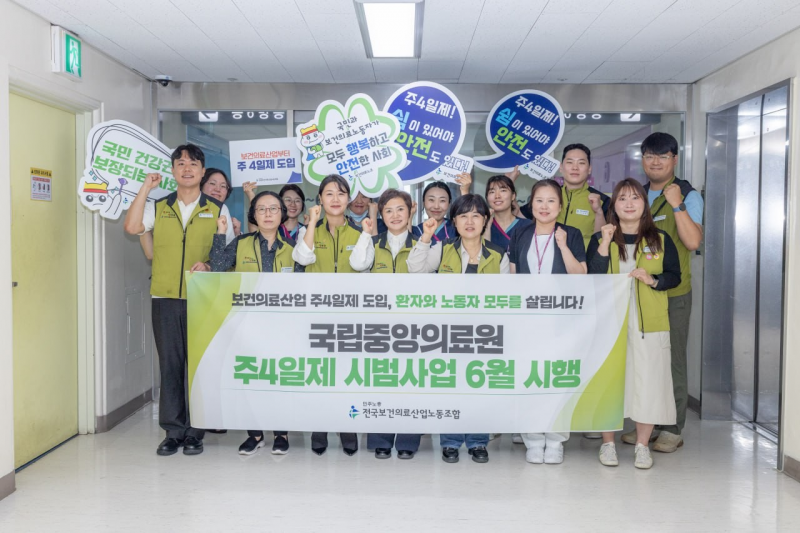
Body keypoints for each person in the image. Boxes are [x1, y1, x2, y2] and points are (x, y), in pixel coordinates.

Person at [124, 144, 235, 456]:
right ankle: (173, 432)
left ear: (202, 171)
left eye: (193, 164)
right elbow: (132, 227)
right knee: (170, 366)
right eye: (181, 163)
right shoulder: (159, 206)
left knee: (199, 367)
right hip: (165, 297)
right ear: (173, 170)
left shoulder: (218, 209)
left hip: (203, 297)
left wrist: (209, 266)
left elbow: (228, 254)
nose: (187, 169)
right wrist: (146, 188)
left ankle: (196, 432)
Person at [586, 178, 682, 469]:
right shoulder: (601, 238)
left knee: (649, 383)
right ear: (614, 205)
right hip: (609, 322)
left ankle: (642, 445)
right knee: (608, 382)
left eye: (635, 198)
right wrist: (605, 242)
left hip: (649, 323)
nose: (629, 204)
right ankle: (607, 444)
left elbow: (674, 276)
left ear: (644, 204)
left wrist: (653, 280)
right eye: (622, 198)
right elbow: (592, 276)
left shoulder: (660, 239)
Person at [408, 193, 508, 464]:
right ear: (454, 221)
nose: (470, 221)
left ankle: (478, 441)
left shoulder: (498, 254)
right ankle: (450, 442)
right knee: (450, 387)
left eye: (476, 215)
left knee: (480, 387)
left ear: (485, 220)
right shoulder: (444, 248)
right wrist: (426, 237)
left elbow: (506, 296)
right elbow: (415, 270)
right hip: (448, 332)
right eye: (463, 216)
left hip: (484, 333)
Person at [620, 132, 703, 454]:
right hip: (640, 293)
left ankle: (672, 428)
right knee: (642, 360)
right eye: (649, 156)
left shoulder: (688, 194)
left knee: (672, 359)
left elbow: (693, 242)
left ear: (675, 159)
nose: (655, 162)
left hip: (673, 293)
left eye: (663, 156)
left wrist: (677, 204)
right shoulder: (638, 194)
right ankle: (648, 424)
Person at [209, 190, 302, 456]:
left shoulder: (294, 249)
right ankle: (255, 434)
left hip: (281, 327)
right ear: (254, 215)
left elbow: (302, 286)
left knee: (280, 379)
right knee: (251, 380)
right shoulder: (241, 243)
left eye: (273, 208)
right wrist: (220, 232)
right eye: (261, 209)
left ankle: (281, 433)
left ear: (282, 214)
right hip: (246, 326)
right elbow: (218, 266)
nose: (268, 214)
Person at [508, 179, 586, 464]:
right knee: (529, 378)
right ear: (531, 204)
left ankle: (555, 440)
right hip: (528, 319)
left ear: (560, 206)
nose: (544, 206)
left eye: (551, 200)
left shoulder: (572, 234)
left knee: (557, 379)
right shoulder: (520, 233)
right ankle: (533, 438)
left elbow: (580, 275)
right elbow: (514, 276)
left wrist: (563, 246)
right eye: (539, 200)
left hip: (561, 320)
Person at [292, 174, 365, 455]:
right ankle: (319, 431)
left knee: (347, 376)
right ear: (320, 199)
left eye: (341, 193)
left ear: (349, 199)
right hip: (316, 316)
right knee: (319, 375)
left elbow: (363, 267)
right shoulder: (308, 230)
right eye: (329, 194)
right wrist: (311, 224)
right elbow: (303, 258)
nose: (335, 199)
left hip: (350, 318)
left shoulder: (360, 233)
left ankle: (348, 431)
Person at [349, 188, 423, 459]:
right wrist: (366, 234)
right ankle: (380, 439)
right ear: (380, 214)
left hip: (414, 325)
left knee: (411, 382)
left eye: (400, 209)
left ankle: (407, 442)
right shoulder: (373, 240)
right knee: (381, 380)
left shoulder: (423, 242)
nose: (395, 215)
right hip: (378, 326)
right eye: (388, 210)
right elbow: (358, 264)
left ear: (411, 210)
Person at [138, 168, 250, 260]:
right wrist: (144, 225)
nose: (218, 189)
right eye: (212, 183)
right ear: (200, 185)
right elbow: (151, 253)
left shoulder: (225, 213)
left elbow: (228, 257)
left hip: (207, 278)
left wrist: (235, 235)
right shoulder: (174, 208)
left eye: (223, 186)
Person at [554, 144, 609, 249]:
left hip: (585, 258)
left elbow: (604, 238)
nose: (575, 167)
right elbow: (522, 217)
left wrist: (598, 212)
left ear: (589, 169)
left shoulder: (602, 200)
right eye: (570, 162)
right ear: (561, 167)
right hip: (551, 257)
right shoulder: (551, 195)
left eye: (581, 163)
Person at [410, 174, 471, 242]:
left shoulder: (455, 228)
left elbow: (467, 224)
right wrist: (409, 215)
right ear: (424, 202)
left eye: (442, 201)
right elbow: (406, 243)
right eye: (431, 200)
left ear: (449, 204)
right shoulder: (416, 230)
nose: (436, 206)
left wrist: (464, 191)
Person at [483, 174, 532, 251]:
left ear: (513, 196)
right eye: (492, 192)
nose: (497, 196)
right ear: (487, 198)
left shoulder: (528, 225)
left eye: (503, 190)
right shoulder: (481, 227)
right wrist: (487, 227)